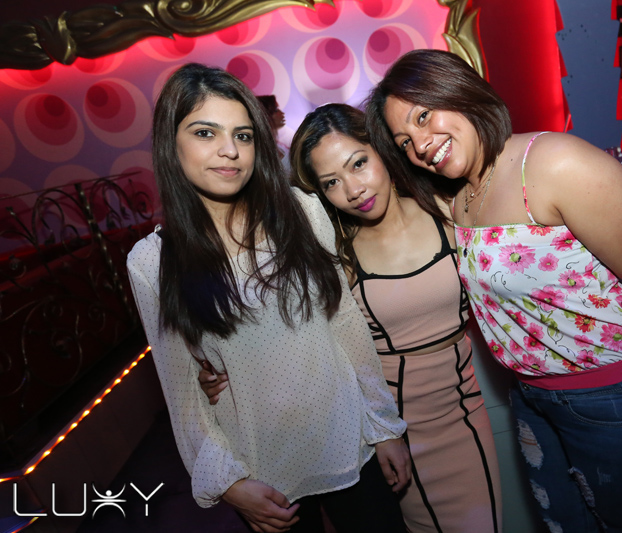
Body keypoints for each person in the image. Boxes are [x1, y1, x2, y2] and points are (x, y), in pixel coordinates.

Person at [365, 49, 622, 532]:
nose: (420, 144)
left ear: (457, 91)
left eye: (422, 116)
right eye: (405, 141)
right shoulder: (456, 198)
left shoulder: (556, 164)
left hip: (615, 397)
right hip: (533, 398)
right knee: (563, 524)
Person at [126, 63, 410, 533]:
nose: (230, 150)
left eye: (243, 135)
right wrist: (230, 482)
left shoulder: (303, 212)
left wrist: (383, 427)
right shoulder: (152, 262)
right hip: (264, 470)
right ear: (170, 143)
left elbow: (345, 324)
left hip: (349, 439)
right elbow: (182, 391)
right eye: (205, 133)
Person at [201, 103, 503, 533]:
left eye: (358, 163)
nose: (353, 189)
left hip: (463, 413)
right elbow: (286, 334)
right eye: (331, 182)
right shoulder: (333, 253)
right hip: (381, 432)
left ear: (381, 150)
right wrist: (221, 372)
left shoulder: (447, 211)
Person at [257, 94, 291, 174]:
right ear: (265, 115)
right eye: (276, 110)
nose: (282, 113)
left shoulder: (278, 144)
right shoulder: (262, 149)